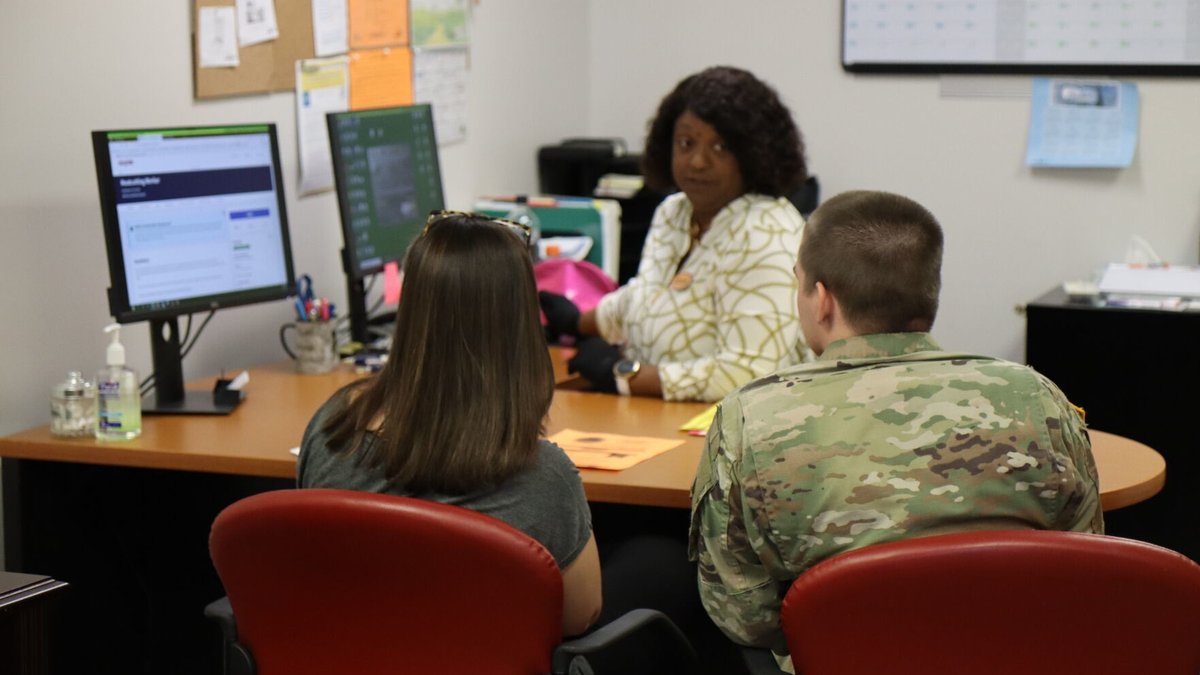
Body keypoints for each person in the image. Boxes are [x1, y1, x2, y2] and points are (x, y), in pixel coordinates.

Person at [689, 190, 1104, 672]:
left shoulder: (751, 419)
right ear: (929, 295)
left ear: (821, 300)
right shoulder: (1037, 398)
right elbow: (1086, 570)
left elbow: (742, 615)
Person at [297, 211, 601, 637]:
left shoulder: (333, 432)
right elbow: (579, 616)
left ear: (411, 314)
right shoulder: (545, 478)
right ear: (520, 328)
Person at [541, 65, 810, 402]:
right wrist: (575, 321)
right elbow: (649, 300)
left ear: (754, 154)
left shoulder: (766, 231)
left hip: (739, 424)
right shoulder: (674, 211)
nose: (697, 161)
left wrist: (624, 375)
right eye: (686, 143)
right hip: (658, 415)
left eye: (720, 147)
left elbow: (750, 374)